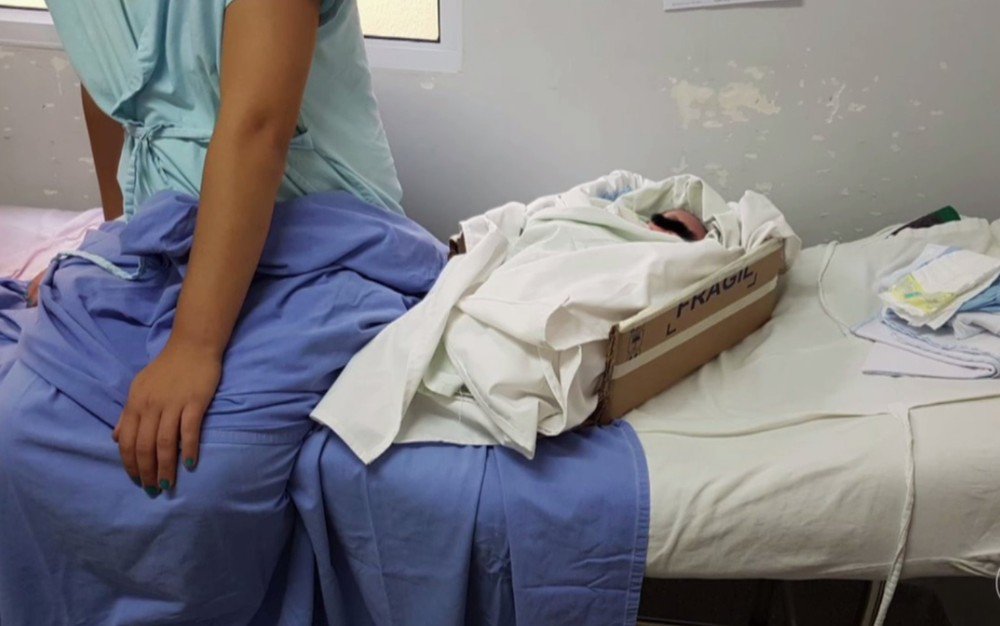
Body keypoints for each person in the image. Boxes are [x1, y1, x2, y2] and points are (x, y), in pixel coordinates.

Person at [0, 0, 446, 622]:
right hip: (163, 230)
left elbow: (257, 127)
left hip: (320, 230)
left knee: (205, 469)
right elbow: (110, 94)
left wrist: (194, 346)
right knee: (19, 426)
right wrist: (116, 240)